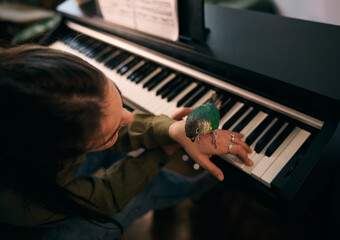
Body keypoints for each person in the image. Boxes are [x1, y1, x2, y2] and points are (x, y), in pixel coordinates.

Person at [0, 45, 253, 239]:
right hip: (32, 227)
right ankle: (201, 187)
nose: (130, 116)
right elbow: (107, 195)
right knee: (135, 195)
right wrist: (164, 149)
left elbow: (118, 124)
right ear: (58, 156)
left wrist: (173, 130)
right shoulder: (21, 203)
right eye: (109, 134)